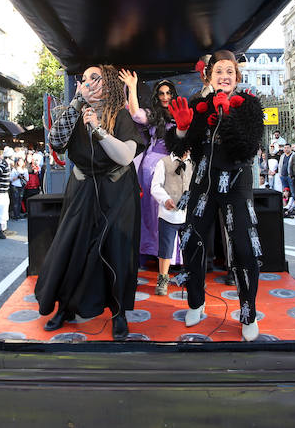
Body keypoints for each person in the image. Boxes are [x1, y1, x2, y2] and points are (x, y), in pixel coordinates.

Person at [35, 64, 145, 341]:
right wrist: (76, 104)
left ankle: (119, 313)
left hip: (117, 189)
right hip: (82, 187)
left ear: (107, 83)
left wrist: (97, 130)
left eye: (94, 77)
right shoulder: (73, 112)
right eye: (83, 79)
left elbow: (125, 156)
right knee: (72, 247)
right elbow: (56, 142)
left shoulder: (119, 115)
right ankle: (66, 308)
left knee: (117, 251)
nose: (87, 83)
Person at [165, 50, 264, 341]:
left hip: (236, 186)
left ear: (237, 76)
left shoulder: (249, 105)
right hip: (202, 184)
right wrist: (182, 130)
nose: (224, 76)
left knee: (244, 249)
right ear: (209, 75)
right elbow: (183, 146)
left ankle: (248, 312)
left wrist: (227, 114)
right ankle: (196, 302)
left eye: (229, 72)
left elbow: (247, 147)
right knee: (192, 242)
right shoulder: (200, 105)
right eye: (219, 71)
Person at [120, 70, 178, 265]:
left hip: (175, 168)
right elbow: (135, 113)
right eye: (161, 93)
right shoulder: (153, 114)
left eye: (168, 93)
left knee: (172, 210)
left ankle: (170, 256)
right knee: (151, 211)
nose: (165, 97)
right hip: (152, 166)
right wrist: (132, 86)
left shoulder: (181, 113)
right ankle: (150, 252)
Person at [149, 150, 192, 295]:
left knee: (189, 248)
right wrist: (165, 199)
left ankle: (189, 277)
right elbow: (155, 186)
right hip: (168, 215)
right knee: (165, 249)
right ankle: (163, 279)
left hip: (188, 215)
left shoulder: (193, 163)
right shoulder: (164, 162)